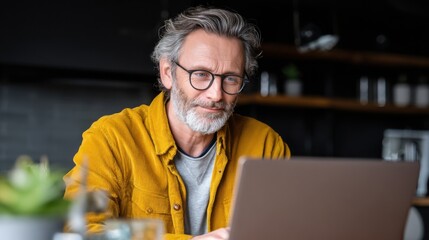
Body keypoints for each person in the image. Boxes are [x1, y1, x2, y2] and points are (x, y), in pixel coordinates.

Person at [63, 5, 291, 240]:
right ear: (167, 73)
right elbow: (81, 231)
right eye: (201, 74)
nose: (216, 94)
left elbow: (288, 229)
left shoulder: (265, 145)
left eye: (231, 79)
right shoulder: (111, 138)